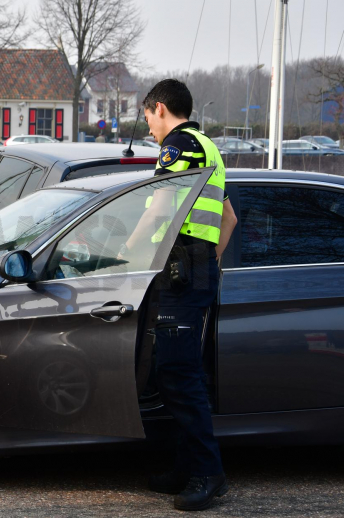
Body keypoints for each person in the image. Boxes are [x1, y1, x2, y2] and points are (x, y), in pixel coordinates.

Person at [119, 79, 237, 511]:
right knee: (181, 372)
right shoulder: (208, 146)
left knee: (178, 373)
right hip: (193, 272)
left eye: (148, 117)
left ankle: (209, 473)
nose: (149, 128)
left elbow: (159, 209)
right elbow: (229, 218)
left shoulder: (180, 144)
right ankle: (188, 467)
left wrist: (125, 254)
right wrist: (206, 261)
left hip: (183, 277)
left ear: (160, 108)